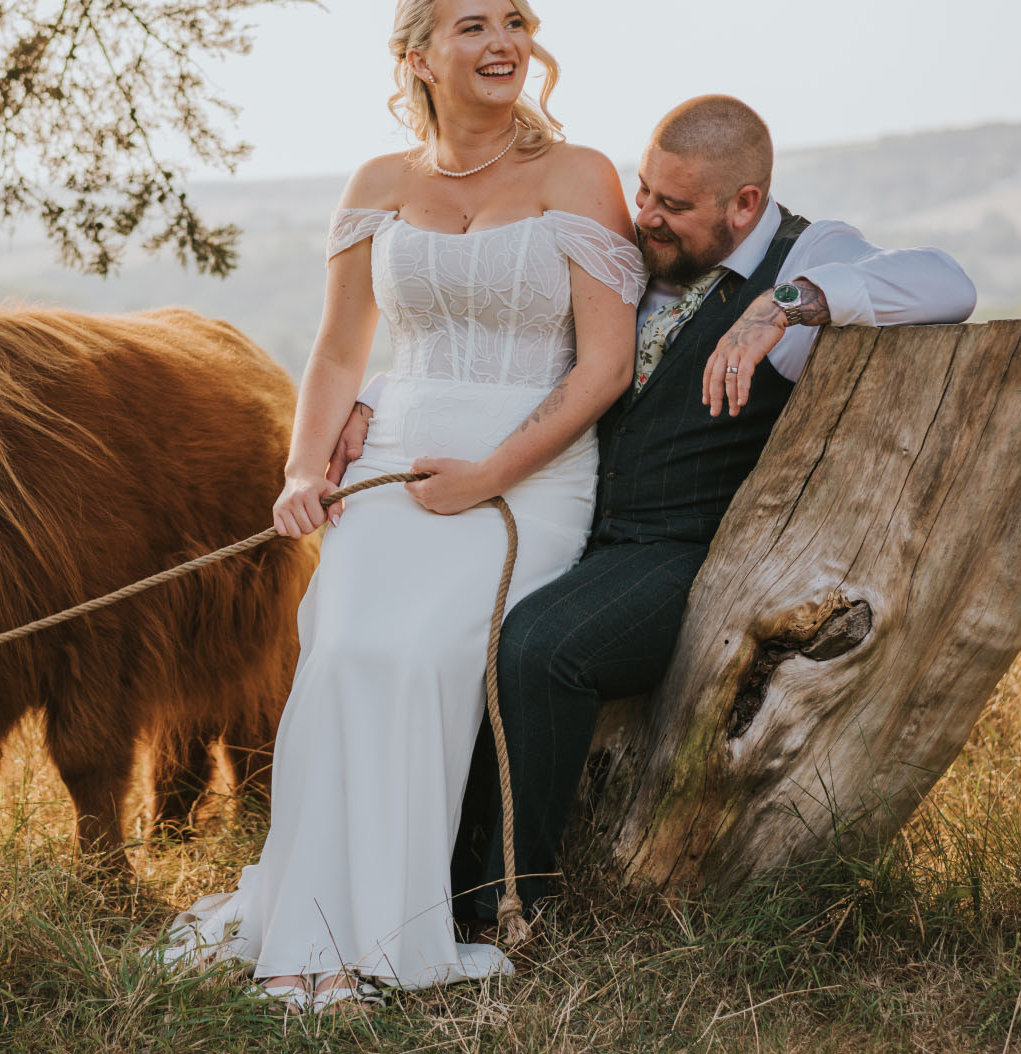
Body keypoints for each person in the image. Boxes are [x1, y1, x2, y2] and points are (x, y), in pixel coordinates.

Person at [339, 93, 979, 928]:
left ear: (744, 204)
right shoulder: (646, 257)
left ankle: (507, 905)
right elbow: (533, 360)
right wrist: (373, 401)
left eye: (671, 205)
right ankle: (400, 880)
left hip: (686, 551)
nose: (645, 217)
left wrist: (784, 305)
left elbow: (949, 283)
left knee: (538, 649)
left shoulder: (806, 253)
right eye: (644, 192)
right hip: (568, 520)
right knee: (440, 624)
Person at [154, 0, 646, 1008]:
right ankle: (303, 931)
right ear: (415, 56)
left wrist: (490, 474)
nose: (501, 41)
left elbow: (604, 365)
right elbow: (337, 354)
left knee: (419, 654)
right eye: (472, 26)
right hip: (391, 465)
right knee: (338, 650)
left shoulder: (579, 175)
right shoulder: (377, 183)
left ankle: (389, 932)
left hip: (528, 470)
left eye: (513, 22)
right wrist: (302, 468)